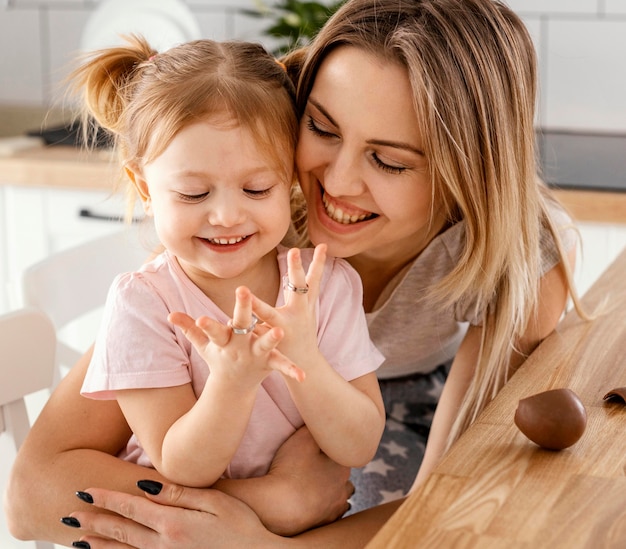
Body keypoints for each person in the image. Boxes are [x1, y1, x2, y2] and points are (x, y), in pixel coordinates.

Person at [5, 0, 583, 547]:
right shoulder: (246, 221)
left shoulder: (519, 263)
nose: (335, 184)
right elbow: (34, 498)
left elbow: (441, 505)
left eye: (389, 160)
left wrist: (254, 540)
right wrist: (269, 498)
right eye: (323, 129)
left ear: (469, 172)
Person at [71, 34, 385, 490]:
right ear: (144, 189)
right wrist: (232, 384)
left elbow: (358, 448)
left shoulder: (324, 284)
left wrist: (304, 356)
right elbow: (181, 467)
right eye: (194, 194)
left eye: (257, 189)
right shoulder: (145, 304)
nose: (226, 216)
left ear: (290, 181)